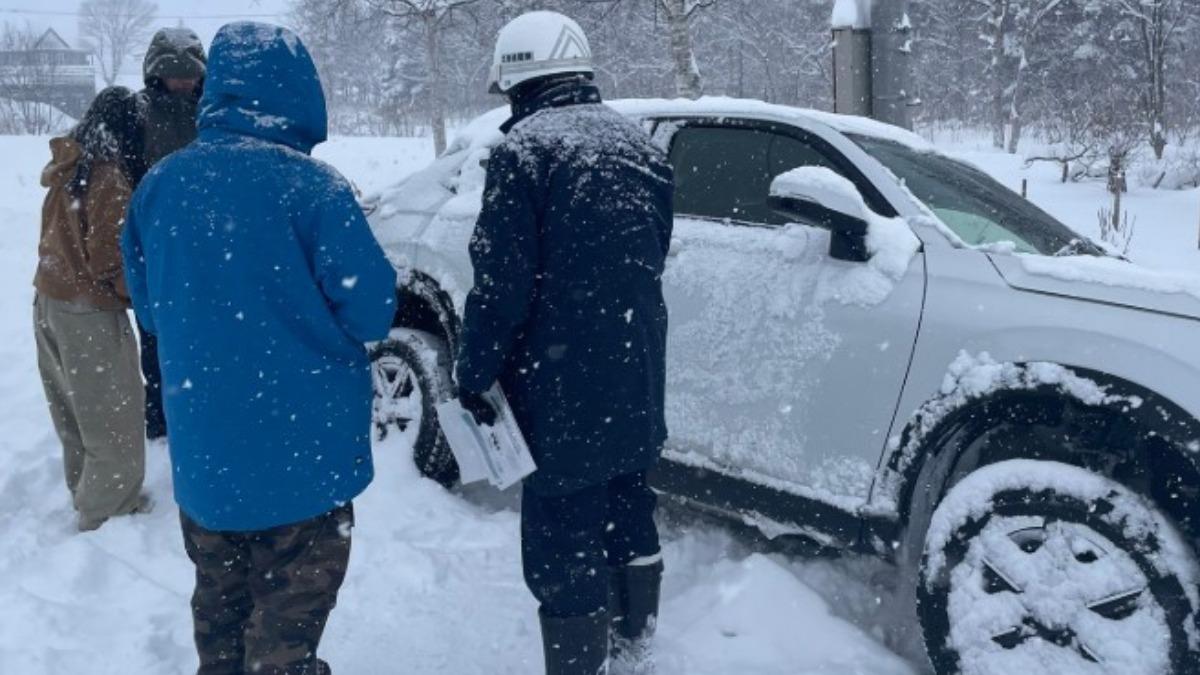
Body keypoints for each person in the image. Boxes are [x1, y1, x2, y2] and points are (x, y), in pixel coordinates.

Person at [121, 22, 397, 675]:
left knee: (220, 609)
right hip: (305, 460)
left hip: (207, 458)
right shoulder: (317, 190)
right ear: (300, 93)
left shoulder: (161, 186)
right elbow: (373, 308)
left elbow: (150, 307)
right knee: (286, 631)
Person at [455, 11, 674, 675]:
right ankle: (634, 644)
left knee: (563, 538)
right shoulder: (643, 148)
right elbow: (653, 256)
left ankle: (580, 663)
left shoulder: (525, 153)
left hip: (558, 392)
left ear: (519, 81)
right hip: (636, 377)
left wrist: (473, 371)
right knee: (629, 505)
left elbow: (500, 285)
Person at [33, 86, 148, 532]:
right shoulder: (108, 178)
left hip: (48, 300)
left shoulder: (68, 164)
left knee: (73, 409)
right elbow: (109, 260)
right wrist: (141, 298)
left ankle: (85, 487)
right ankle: (109, 510)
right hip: (86, 310)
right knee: (113, 413)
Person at [132, 26, 208, 441]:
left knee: (204, 327)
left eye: (189, 72)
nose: (182, 81)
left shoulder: (212, 109)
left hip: (207, 235)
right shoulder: (138, 112)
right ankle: (160, 416)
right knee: (155, 331)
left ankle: (198, 402)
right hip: (156, 237)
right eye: (172, 72)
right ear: (155, 72)